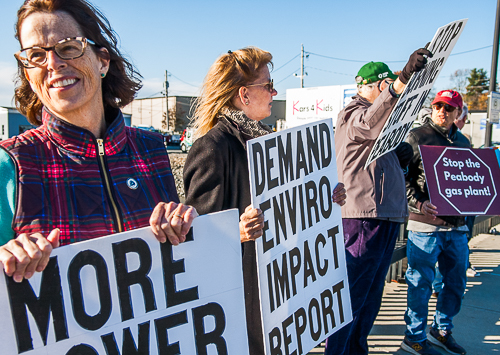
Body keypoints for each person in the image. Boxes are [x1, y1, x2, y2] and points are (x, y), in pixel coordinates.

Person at [0, 0, 197, 283]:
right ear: (28, 75)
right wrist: (7, 257)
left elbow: (178, 262)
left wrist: (185, 226)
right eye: (36, 55)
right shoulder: (10, 163)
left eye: (68, 47)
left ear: (102, 61)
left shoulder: (151, 150)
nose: (53, 64)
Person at [183, 47, 347, 354]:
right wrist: (238, 231)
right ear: (244, 95)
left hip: (280, 291)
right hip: (243, 303)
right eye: (268, 85)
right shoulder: (213, 147)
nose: (274, 92)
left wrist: (325, 198)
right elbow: (197, 238)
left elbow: (289, 209)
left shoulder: (270, 143)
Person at [325, 47, 432, 355]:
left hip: (385, 215)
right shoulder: (352, 112)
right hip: (361, 216)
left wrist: (403, 157)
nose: (387, 91)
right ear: (368, 87)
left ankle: (357, 350)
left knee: (371, 298)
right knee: (351, 298)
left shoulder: (387, 116)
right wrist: (400, 81)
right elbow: (367, 124)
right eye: (383, 86)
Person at [402, 90, 470, 355]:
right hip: (425, 226)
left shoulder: (464, 141)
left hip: (457, 227)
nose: (442, 111)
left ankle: (442, 330)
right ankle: (414, 336)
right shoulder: (417, 137)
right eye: (438, 106)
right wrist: (418, 203)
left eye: (448, 108)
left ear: (458, 113)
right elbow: (403, 178)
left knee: (455, 283)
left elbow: (470, 181)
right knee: (420, 283)